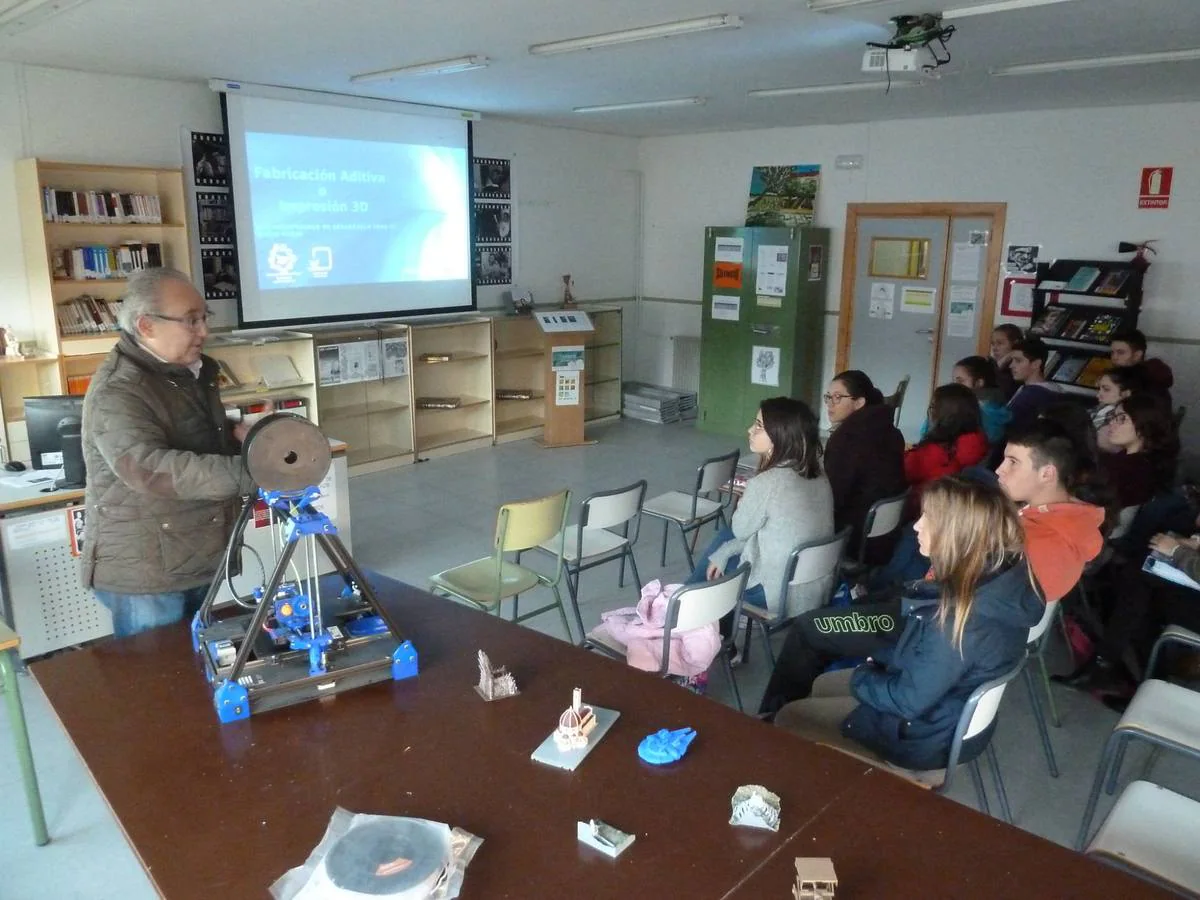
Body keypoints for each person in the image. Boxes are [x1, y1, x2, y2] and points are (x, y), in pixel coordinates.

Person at [759, 420, 1105, 716]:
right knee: (848, 612)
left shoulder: (1038, 541)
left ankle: (774, 718)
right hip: (931, 616)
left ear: (1047, 473)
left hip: (923, 627)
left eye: (1013, 462)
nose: (1000, 469)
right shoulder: (1060, 521)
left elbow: (955, 611)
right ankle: (814, 692)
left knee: (810, 629)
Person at [772, 477, 1043, 771]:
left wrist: (863, 673)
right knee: (824, 682)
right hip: (944, 712)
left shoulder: (960, 620)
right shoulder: (1003, 580)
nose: (917, 525)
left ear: (957, 534)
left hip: (917, 735)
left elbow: (907, 700)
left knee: (789, 715)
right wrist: (879, 660)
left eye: (929, 518)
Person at [82, 267, 256, 637]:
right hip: (147, 568)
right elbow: (150, 468)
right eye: (191, 321)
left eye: (204, 318)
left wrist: (241, 437)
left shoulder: (185, 371)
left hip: (191, 549)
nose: (204, 332)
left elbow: (189, 434)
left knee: (197, 666)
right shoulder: (120, 389)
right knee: (158, 683)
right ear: (146, 326)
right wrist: (255, 470)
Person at [689, 398, 833, 638]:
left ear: (780, 436)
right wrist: (723, 553)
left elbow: (740, 530)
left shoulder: (767, 483)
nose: (749, 430)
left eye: (758, 426)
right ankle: (690, 605)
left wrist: (747, 498)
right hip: (814, 588)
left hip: (777, 595)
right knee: (722, 549)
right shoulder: (819, 475)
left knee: (718, 555)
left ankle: (683, 609)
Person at [822, 371, 906, 565]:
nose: (830, 404)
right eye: (828, 397)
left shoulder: (847, 439)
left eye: (838, 397)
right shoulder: (890, 430)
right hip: (884, 536)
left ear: (859, 403)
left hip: (854, 537)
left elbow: (833, 498)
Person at [904, 383, 989, 518]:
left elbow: (905, 472)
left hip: (924, 510)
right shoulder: (977, 440)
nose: (930, 411)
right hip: (954, 509)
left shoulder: (938, 451)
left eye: (933, 407)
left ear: (943, 414)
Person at [1097, 393, 1180, 510]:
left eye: (1122, 419)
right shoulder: (1141, 462)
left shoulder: (1130, 470)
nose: (1111, 423)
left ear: (1144, 424)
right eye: (1114, 417)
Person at [1005, 337, 1062, 432]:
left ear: (1036, 364)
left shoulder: (1032, 396)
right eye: (1012, 361)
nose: (1011, 366)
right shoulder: (1054, 389)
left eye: (1018, 361)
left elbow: (1005, 426)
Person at [951, 355, 1011, 444]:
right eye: (954, 381)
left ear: (979, 383)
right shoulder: (995, 404)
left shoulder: (983, 410)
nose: (954, 386)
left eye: (960, 381)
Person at [1110, 329, 1174, 396]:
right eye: (1112, 352)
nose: (1114, 357)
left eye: (1121, 352)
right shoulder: (1116, 375)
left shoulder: (1152, 378)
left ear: (1137, 355)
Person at [990, 323, 1024, 400]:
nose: (994, 348)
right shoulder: (991, 364)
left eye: (1000, 343)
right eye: (993, 344)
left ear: (1015, 344)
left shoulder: (1017, 370)